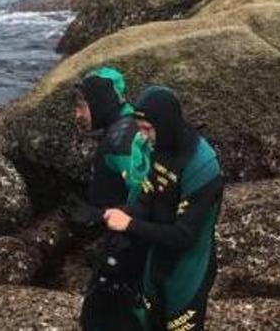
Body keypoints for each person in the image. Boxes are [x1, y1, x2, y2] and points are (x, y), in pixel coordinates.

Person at [103, 86, 223, 331]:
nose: (144, 137)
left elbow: (184, 236)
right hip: (157, 263)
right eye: (141, 129)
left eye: (147, 129)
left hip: (188, 271)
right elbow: (147, 201)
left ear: (165, 124)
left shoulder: (203, 166)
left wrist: (129, 224)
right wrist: (110, 213)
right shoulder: (159, 148)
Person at [69, 67, 152, 331]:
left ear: (100, 102)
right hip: (127, 242)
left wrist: (98, 215)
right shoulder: (125, 127)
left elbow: (152, 199)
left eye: (82, 106)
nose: (77, 115)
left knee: (100, 317)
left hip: (132, 250)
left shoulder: (121, 141)